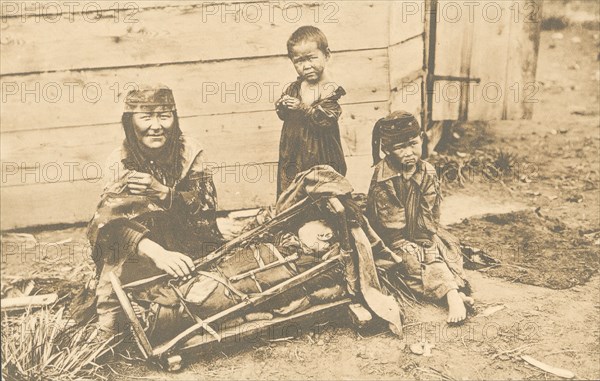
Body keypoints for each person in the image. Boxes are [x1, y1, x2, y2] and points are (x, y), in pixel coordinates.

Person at [87, 84, 224, 337]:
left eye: (164, 115)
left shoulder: (190, 152)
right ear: (130, 122)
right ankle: (109, 323)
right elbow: (108, 222)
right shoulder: (120, 160)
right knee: (115, 268)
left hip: (187, 238)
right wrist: (158, 252)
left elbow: (206, 208)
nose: (156, 125)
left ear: (175, 117)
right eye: (146, 116)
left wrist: (164, 192)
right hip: (144, 245)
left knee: (208, 288)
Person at [366, 111, 474, 324]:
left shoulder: (428, 171)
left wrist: (426, 241)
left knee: (446, 254)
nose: (408, 152)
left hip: (421, 232)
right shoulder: (383, 177)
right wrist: (402, 242)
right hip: (392, 238)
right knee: (407, 266)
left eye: (413, 143)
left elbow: (430, 212)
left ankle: (451, 292)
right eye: (399, 147)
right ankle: (453, 295)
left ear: (422, 139)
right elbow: (389, 219)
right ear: (387, 150)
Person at [275, 25, 347, 198]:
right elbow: (283, 115)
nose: (306, 66)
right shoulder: (295, 88)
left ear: (327, 55)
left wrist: (302, 108)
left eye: (311, 58)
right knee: (291, 192)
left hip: (320, 152)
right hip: (293, 152)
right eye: (299, 61)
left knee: (321, 189)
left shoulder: (330, 90)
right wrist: (282, 105)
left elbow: (326, 119)